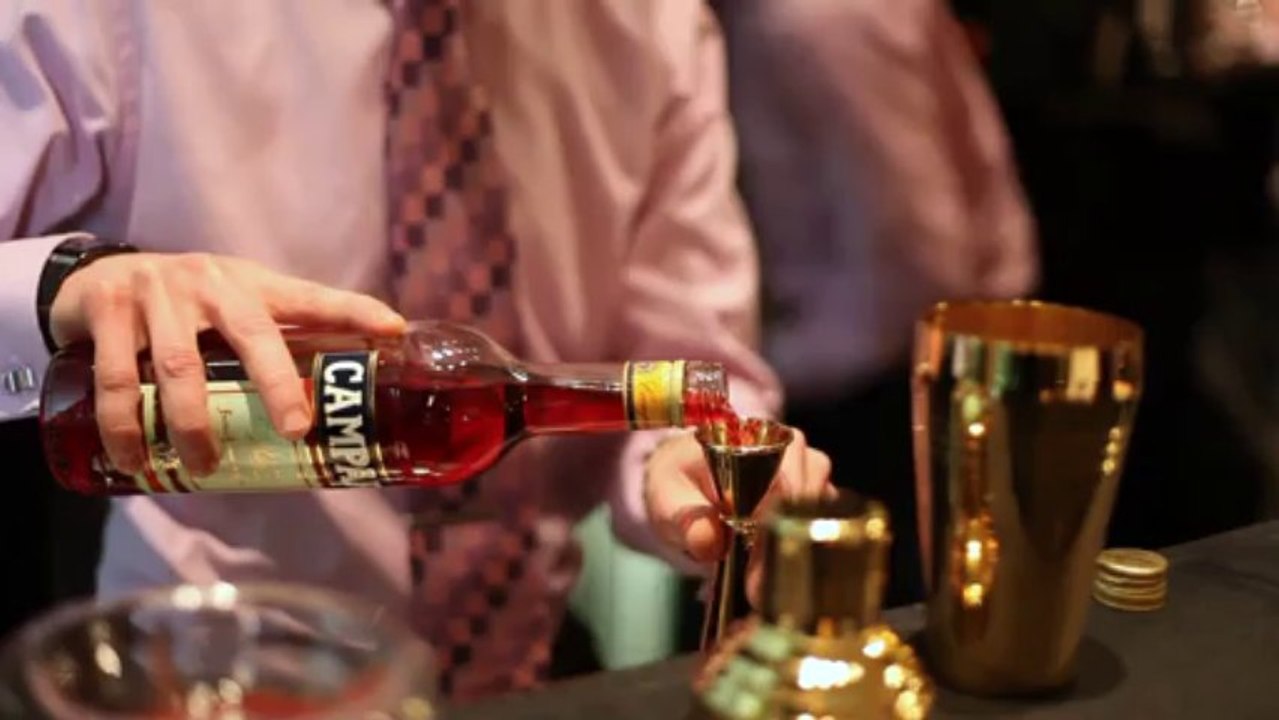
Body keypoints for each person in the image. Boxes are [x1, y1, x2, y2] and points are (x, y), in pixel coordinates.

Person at [0, 0, 830, 700]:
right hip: (218, 664)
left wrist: (692, 473)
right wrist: (67, 286)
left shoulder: (649, 20)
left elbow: (690, 365)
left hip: (528, 668)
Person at [718, 0, 1038, 606]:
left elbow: (917, 268)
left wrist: (750, 376)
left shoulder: (818, 20)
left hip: (882, 392)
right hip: (869, 368)